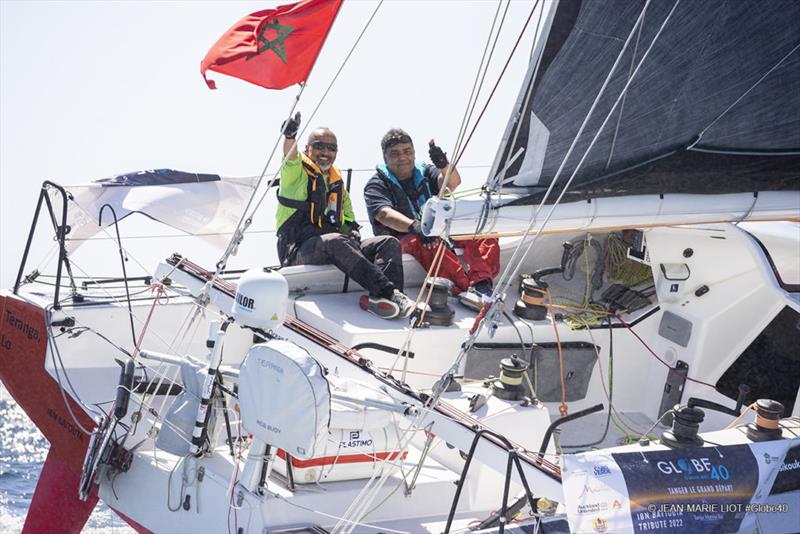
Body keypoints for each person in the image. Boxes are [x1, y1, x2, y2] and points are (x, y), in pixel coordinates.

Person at [275, 113, 414, 319]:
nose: (325, 152)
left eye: (331, 148)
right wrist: (290, 136)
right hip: (297, 250)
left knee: (388, 242)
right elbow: (290, 156)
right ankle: (389, 292)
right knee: (335, 241)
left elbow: (349, 221)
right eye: (319, 146)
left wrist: (355, 234)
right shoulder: (295, 172)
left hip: (335, 244)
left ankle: (382, 300)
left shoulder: (335, 182)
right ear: (307, 148)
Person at [364, 128, 499, 298]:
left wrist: (444, 165)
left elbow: (452, 183)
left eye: (407, 152)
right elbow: (384, 214)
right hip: (405, 239)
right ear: (385, 157)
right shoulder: (376, 185)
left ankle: (482, 283)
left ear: (414, 153)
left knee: (483, 231)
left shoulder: (425, 171)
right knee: (427, 244)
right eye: (395, 154)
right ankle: (464, 289)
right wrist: (416, 227)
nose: (402, 157)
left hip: (438, 231)